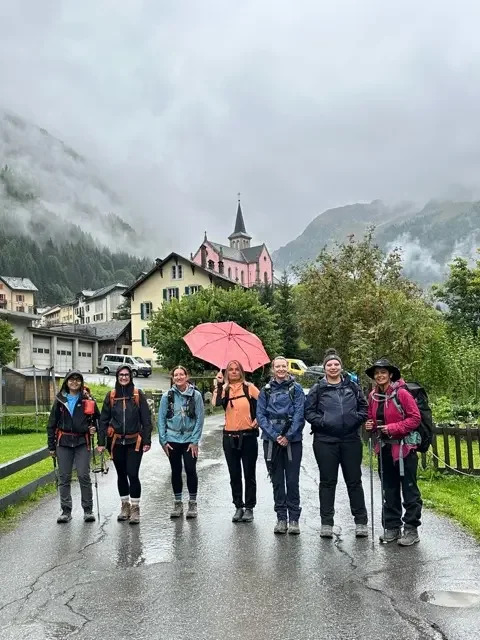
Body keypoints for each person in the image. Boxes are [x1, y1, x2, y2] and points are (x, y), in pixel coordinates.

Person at [305, 349, 369, 538]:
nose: (333, 367)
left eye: (336, 364)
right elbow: (309, 412)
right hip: (325, 441)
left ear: (341, 367)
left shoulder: (353, 387)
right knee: (327, 482)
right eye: (329, 365)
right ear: (324, 368)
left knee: (354, 481)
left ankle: (361, 521)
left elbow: (364, 408)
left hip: (350, 439)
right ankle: (327, 523)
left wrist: (353, 420)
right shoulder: (318, 389)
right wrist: (323, 422)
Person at [365, 358, 422, 546]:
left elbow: (415, 419)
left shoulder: (402, 394)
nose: (380, 375)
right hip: (384, 449)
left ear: (390, 374)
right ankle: (392, 527)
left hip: (404, 449)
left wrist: (393, 428)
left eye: (383, 372)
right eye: (377, 373)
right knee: (388, 489)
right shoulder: (373, 396)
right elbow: (373, 420)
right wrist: (370, 425)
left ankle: (411, 529)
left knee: (409, 489)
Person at [257, 356, 305, 534]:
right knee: (277, 481)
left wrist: (288, 435)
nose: (281, 369)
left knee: (292, 481)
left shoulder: (296, 389)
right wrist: (276, 435)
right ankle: (281, 518)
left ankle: (294, 519)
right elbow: (261, 416)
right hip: (271, 441)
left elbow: (300, 414)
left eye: (284, 366)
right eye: (277, 366)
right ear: (273, 369)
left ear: (288, 368)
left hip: (293, 441)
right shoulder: (266, 391)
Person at [98, 365, 152, 524]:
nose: (123, 377)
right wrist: (101, 442)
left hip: (134, 441)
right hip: (116, 443)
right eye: (121, 375)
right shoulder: (111, 396)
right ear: (117, 376)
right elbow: (103, 421)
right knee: (121, 474)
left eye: (126, 375)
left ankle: (135, 508)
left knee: (132, 474)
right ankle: (125, 505)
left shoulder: (137, 395)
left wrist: (147, 440)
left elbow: (146, 419)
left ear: (131, 376)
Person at [47, 370, 100, 523]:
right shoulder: (60, 400)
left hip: (82, 442)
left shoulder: (88, 399)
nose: (74, 382)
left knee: (83, 475)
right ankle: (65, 511)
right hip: (63, 442)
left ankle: (88, 510)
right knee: (64, 477)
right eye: (71, 379)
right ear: (66, 382)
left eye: (78, 380)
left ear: (81, 382)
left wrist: (94, 429)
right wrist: (51, 447)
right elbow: (51, 425)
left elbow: (98, 420)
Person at [213, 360, 260, 523]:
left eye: (236, 369)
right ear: (226, 373)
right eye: (230, 370)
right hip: (229, 437)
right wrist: (219, 385)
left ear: (241, 372)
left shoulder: (249, 387)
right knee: (234, 474)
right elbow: (216, 404)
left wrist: (258, 419)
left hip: (247, 436)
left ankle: (249, 508)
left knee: (249, 474)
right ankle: (238, 506)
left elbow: (264, 403)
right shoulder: (224, 389)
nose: (233, 372)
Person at [158, 365, 204, 519]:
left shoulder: (196, 396)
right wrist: (163, 441)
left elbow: (200, 419)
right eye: (176, 375)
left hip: (190, 440)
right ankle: (178, 503)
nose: (178, 377)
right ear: (173, 377)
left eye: (181, 374)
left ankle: (192, 503)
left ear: (187, 376)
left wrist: (195, 440)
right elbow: (161, 419)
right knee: (176, 470)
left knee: (191, 469)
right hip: (172, 439)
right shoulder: (167, 396)